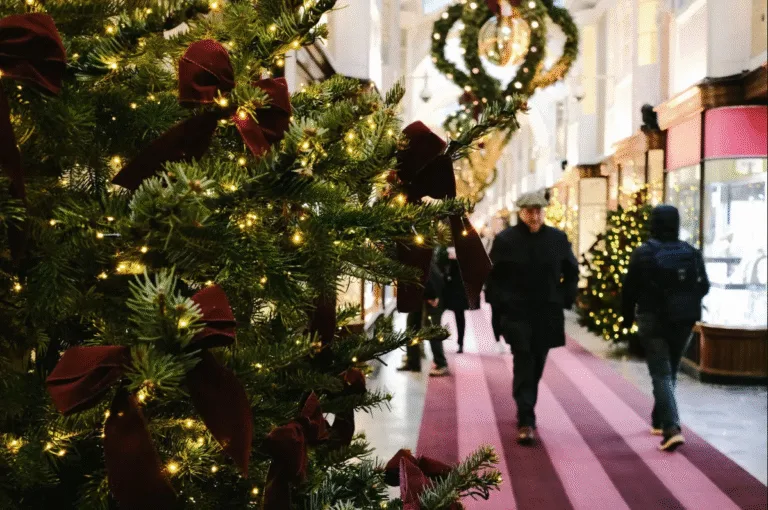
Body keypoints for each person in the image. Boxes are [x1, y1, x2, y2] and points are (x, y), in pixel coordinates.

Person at [487, 189, 579, 445]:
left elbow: (571, 271)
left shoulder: (557, 239)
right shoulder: (506, 240)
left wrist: (564, 297)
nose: (534, 215)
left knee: (537, 362)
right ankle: (526, 418)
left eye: (538, 211)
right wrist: (501, 307)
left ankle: (526, 402)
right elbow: (494, 278)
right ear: (521, 213)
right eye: (530, 211)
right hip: (517, 313)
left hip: (547, 313)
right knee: (524, 360)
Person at [622, 205, 710, 452]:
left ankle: (671, 428)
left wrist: (628, 317)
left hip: (653, 318)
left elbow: (630, 289)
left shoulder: (643, 253)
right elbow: (704, 286)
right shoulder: (691, 252)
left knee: (661, 373)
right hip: (684, 320)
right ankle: (659, 420)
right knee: (669, 369)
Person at [398, 256, 450, 376]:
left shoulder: (416, 251)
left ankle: (441, 363)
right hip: (420, 294)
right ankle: (413, 362)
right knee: (412, 325)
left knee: (431, 328)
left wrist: (432, 295)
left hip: (431, 295)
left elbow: (429, 273)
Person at [438, 247, 469, 353]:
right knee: (436, 316)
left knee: (459, 316)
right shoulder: (441, 250)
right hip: (444, 288)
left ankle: (461, 343)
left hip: (457, 289)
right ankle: (437, 346)